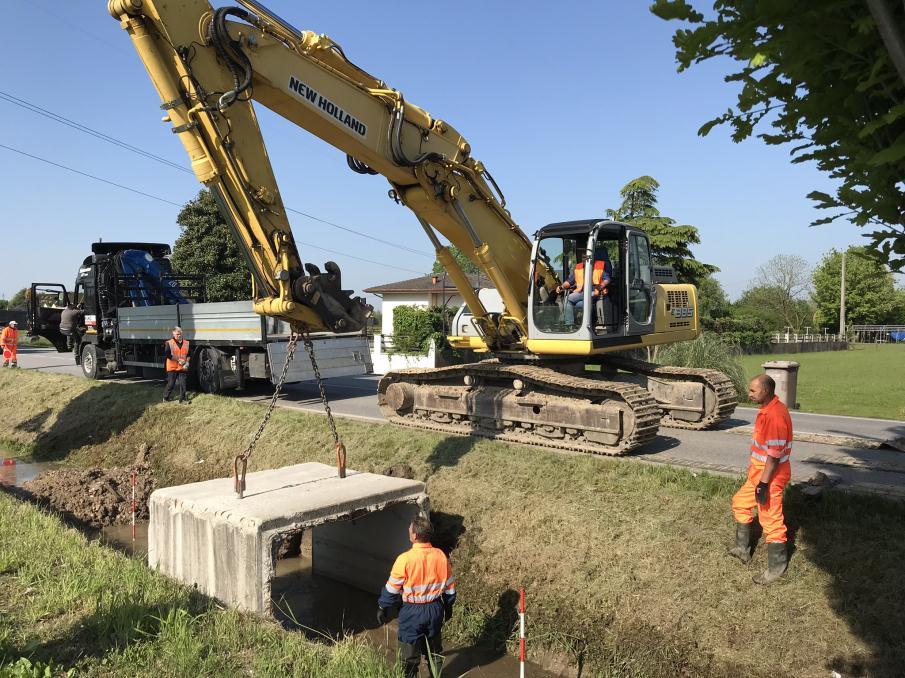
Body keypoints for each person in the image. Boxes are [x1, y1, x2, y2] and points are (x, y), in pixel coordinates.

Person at [728, 374, 793, 584]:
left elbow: (773, 457)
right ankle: (742, 549)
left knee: (770, 519)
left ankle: (776, 569)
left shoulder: (775, 416)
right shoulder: (767, 410)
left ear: (765, 391)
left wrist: (764, 485)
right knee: (740, 503)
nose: (749, 394)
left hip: (770, 477)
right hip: (758, 474)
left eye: (753, 391)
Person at [377, 516, 456, 678]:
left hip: (411, 612)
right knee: (434, 653)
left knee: (408, 658)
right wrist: (448, 607)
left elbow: (391, 589)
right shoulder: (441, 556)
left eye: (409, 530)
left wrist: (382, 607)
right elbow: (449, 588)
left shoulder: (404, 559)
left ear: (414, 536)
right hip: (435, 609)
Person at [557, 246, 611, 326]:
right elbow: (569, 282)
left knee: (568, 299)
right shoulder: (578, 267)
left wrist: (601, 285)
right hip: (581, 293)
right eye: (583, 257)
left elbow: (607, 279)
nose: (584, 259)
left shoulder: (599, 266)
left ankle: (569, 324)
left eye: (586, 257)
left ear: (592, 257)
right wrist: (561, 287)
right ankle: (574, 325)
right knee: (580, 304)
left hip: (595, 292)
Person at [163, 326, 190, 403]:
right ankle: (165, 398)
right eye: (177, 334)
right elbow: (167, 355)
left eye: (180, 333)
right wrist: (178, 360)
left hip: (182, 367)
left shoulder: (186, 343)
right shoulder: (169, 343)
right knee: (171, 384)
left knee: (183, 383)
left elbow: (189, 354)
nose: (179, 335)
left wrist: (187, 362)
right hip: (172, 367)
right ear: (173, 334)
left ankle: (183, 399)